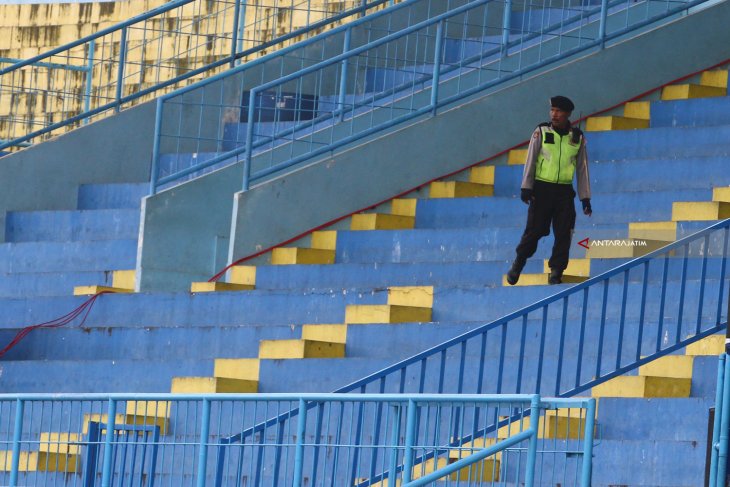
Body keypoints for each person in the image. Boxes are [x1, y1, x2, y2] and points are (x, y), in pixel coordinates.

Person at [506, 95, 592, 285]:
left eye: (559, 111)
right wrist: (526, 187)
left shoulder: (576, 137)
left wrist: (585, 198)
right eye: (552, 110)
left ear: (568, 114)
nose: (554, 114)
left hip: (564, 192)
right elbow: (531, 160)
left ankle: (556, 271)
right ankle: (518, 263)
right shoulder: (542, 132)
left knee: (564, 232)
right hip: (542, 189)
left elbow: (582, 168)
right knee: (534, 232)